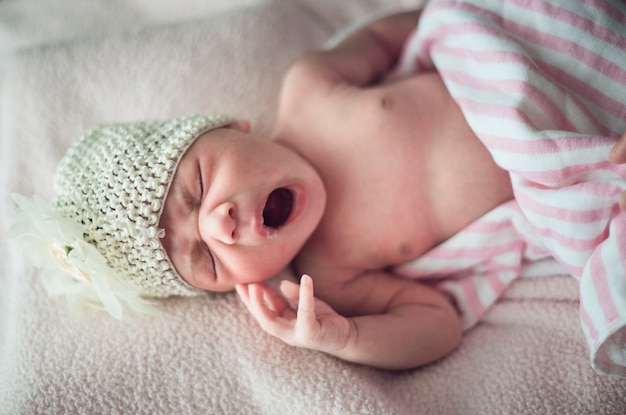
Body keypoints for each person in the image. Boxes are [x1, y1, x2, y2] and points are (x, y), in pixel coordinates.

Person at [9, 0, 626, 374]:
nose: (219, 224)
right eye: (205, 259)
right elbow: (435, 321)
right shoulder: (328, 275)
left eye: (196, 185)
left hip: (530, 69)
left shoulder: (310, 88)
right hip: (567, 182)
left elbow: (394, 37)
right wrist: (345, 337)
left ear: (230, 126)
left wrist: (455, 22)